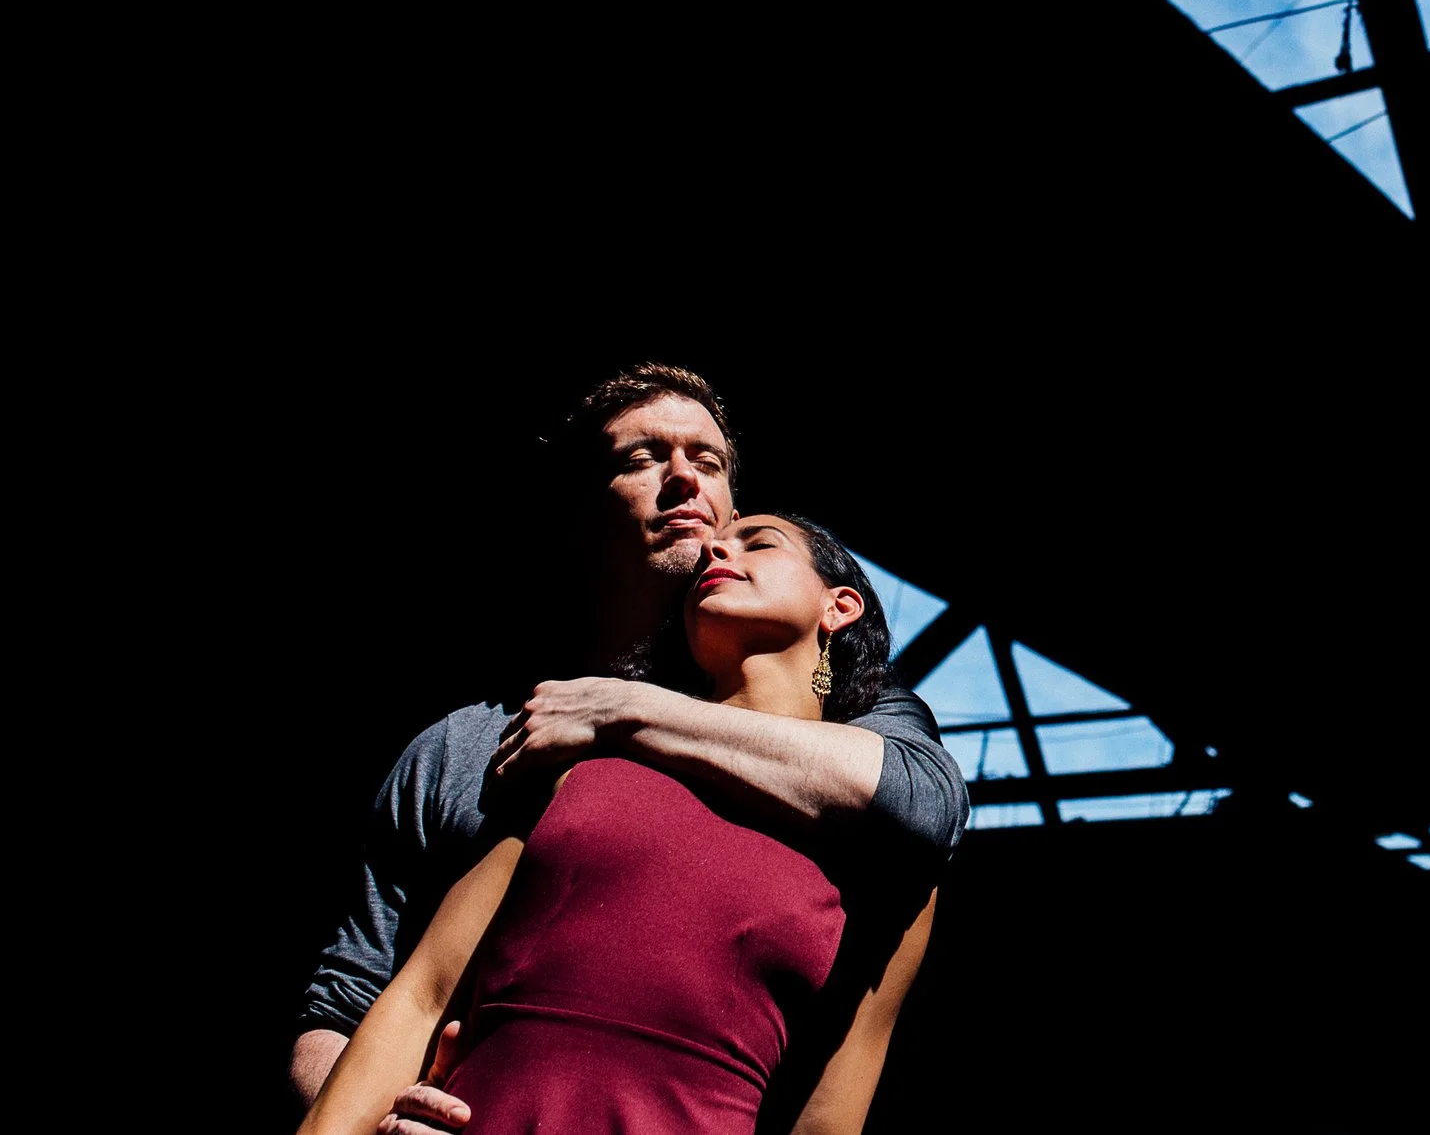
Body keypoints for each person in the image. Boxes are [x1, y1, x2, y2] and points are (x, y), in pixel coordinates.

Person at [291, 365, 966, 1129]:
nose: (685, 479)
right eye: (641, 458)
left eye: (708, 463)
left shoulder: (867, 721)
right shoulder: (494, 750)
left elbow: (924, 805)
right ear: (581, 514)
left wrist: (625, 709)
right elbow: (365, 996)